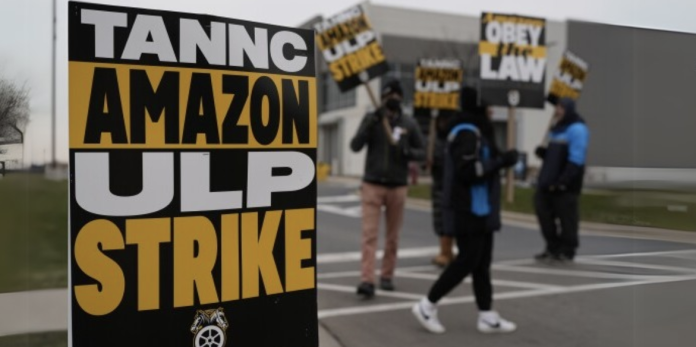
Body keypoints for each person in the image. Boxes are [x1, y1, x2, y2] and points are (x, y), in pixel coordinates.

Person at [412, 87, 519, 334]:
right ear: (479, 107)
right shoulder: (467, 133)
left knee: (482, 263)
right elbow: (468, 171)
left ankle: (487, 315)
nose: (492, 110)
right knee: (467, 261)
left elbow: (480, 164)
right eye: (488, 105)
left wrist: (504, 159)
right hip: (468, 209)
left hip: (480, 209)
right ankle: (427, 305)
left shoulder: (475, 131)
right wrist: (501, 162)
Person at [350, 80, 426, 298]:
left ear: (401, 98)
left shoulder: (409, 123)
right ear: (382, 98)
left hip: (397, 186)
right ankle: (367, 279)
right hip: (373, 184)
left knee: (392, 236)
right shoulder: (373, 119)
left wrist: (406, 151)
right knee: (369, 235)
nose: (392, 98)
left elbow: (422, 153)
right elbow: (355, 146)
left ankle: (387, 274)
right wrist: (370, 123)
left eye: (396, 95)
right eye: (388, 95)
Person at [533, 98, 590, 263]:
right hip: (547, 182)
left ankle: (567, 249)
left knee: (567, 220)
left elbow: (576, 160)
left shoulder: (577, 129)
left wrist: (563, 181)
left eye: (560, 107)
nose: (557, 110)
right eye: (557, 107)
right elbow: (554, 157)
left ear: (568, 109)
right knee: (544, 215)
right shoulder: (556, 128)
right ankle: (552, 247)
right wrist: (543, 153)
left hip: (566, 185)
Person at [430, 113, 455, 268]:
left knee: (448, 220)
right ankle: (445, 250)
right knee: (440, 219)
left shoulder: (453, 139)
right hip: (439, 184)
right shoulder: (435, 141)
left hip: (450, 185)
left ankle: (447, 252)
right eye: (440, 120)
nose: (442, 124)